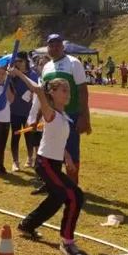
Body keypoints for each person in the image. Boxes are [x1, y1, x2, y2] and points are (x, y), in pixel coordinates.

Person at [9, 67, 85, 255]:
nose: (68, 94)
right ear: (53, 92)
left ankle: (27, 226)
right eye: (64, 90)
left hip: (56, 163)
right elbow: (36, 89)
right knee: (74, 196)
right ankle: (67, 242)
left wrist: (68, 158)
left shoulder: (64, 117)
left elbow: (60, 140)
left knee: (57, 198)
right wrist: (18, 73)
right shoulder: (49, 112)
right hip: (45, 164)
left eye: (69, 90)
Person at [41, 34, 90, 184]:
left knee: (72, 152)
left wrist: (84, 116)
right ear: (47, 48)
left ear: (63, 47)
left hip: (71, 115)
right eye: (51, 45)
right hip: (52, 117)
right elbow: (44, 94)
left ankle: (72, 185)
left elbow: (82, 91)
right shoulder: (47, 67)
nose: (54, 48)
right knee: (51, 150)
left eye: (57, 45)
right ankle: (51, 184)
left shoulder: (73, 63)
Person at [9, 51, 37, 171]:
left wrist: (31, 93)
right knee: (15, 135)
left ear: (26, 61)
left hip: (28, 111)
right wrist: (11, 77)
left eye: (19, 61)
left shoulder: (33, 74)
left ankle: (30, 157)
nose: (17, 63)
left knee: (29, 136)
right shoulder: (12, 75)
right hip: (14, 110)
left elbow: (35, 87)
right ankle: (15, 161)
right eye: (15, 61)